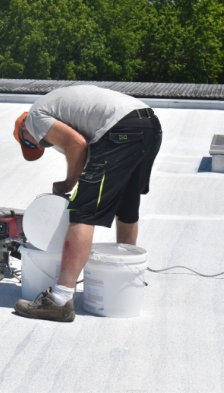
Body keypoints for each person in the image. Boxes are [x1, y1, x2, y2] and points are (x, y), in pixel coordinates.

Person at [12, 85, 162, 322]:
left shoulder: (33, 119)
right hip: (149, 124)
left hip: (120, 128)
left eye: (30, 144)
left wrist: (69, 183)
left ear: (22, 129)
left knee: (82, 212)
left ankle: (59, 301)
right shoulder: (61, 111)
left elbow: (77, 145)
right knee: (127, 206)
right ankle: (126, 277)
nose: (39, 145)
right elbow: (92, 155)